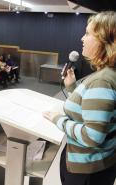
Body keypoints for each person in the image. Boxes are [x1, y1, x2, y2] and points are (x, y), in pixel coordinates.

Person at [43, 11, 116, 185]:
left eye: (88, 33)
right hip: (98, 165)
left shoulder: (102, 81)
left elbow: (92, 137)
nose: (82, 38)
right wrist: (72, 87)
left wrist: (57, 119)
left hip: (88, 171)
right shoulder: (107, 75)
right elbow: (92, 110)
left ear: (105, 41)